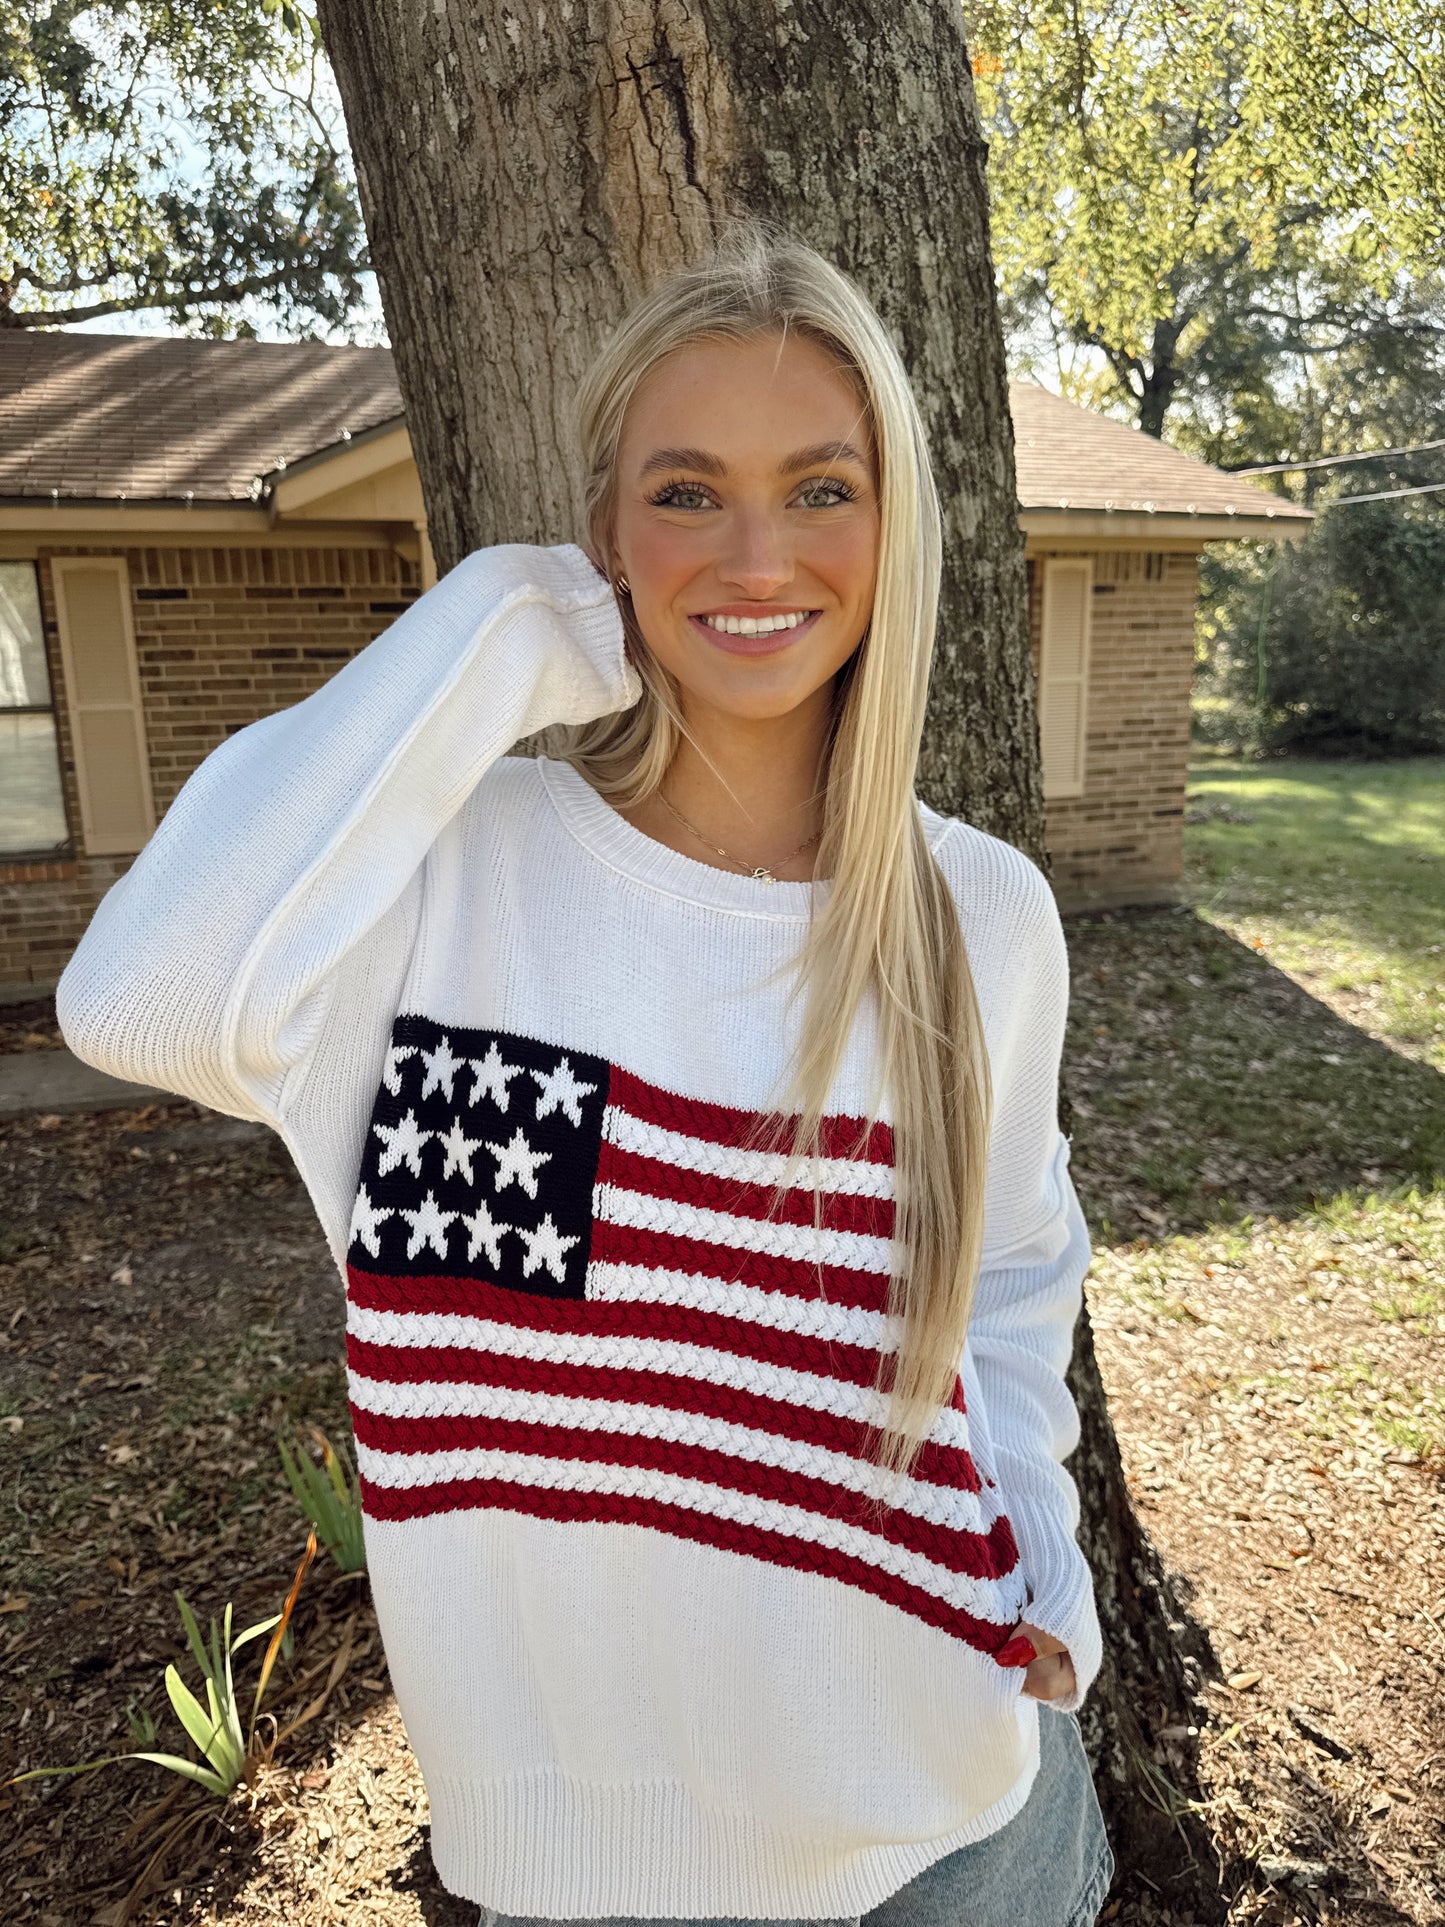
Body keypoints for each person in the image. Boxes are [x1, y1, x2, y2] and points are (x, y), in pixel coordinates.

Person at [57, 219, 1114, 1927]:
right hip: (580, 1873)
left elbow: (1007, 1273)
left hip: (952, 1829)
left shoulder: (975, 912)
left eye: (822, 488)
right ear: (605, 527)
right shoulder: (450, 883)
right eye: (685, 490)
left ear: (893, 522)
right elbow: (142, 1001)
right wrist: (513, 624)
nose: (756, 549)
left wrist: (1039, 1546)